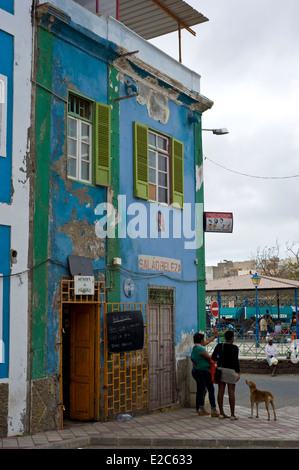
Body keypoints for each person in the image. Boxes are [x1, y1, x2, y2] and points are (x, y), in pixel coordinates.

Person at [212, 330, 240, 420]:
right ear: (232, 338)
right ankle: (232, 415)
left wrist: (219, 360)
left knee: (220, 391)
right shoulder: (235, 348)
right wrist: (238, 372)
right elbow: (236, 361)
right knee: (231, 392)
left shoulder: (220, 346)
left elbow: (213, 357)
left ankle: (221, 413)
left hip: (220, 370)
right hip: (231, 371)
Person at [191, 332, 219, 417]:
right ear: (200, 340)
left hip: (198, 371)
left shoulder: (196, 347)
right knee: (210, 390)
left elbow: (207, 342)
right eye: (203, 339)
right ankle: (213, 410)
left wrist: (214, 337)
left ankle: (200, 408)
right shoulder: (200, 349)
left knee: (201, 390)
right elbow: (209, 357)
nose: (205, 340)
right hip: (204, 372)